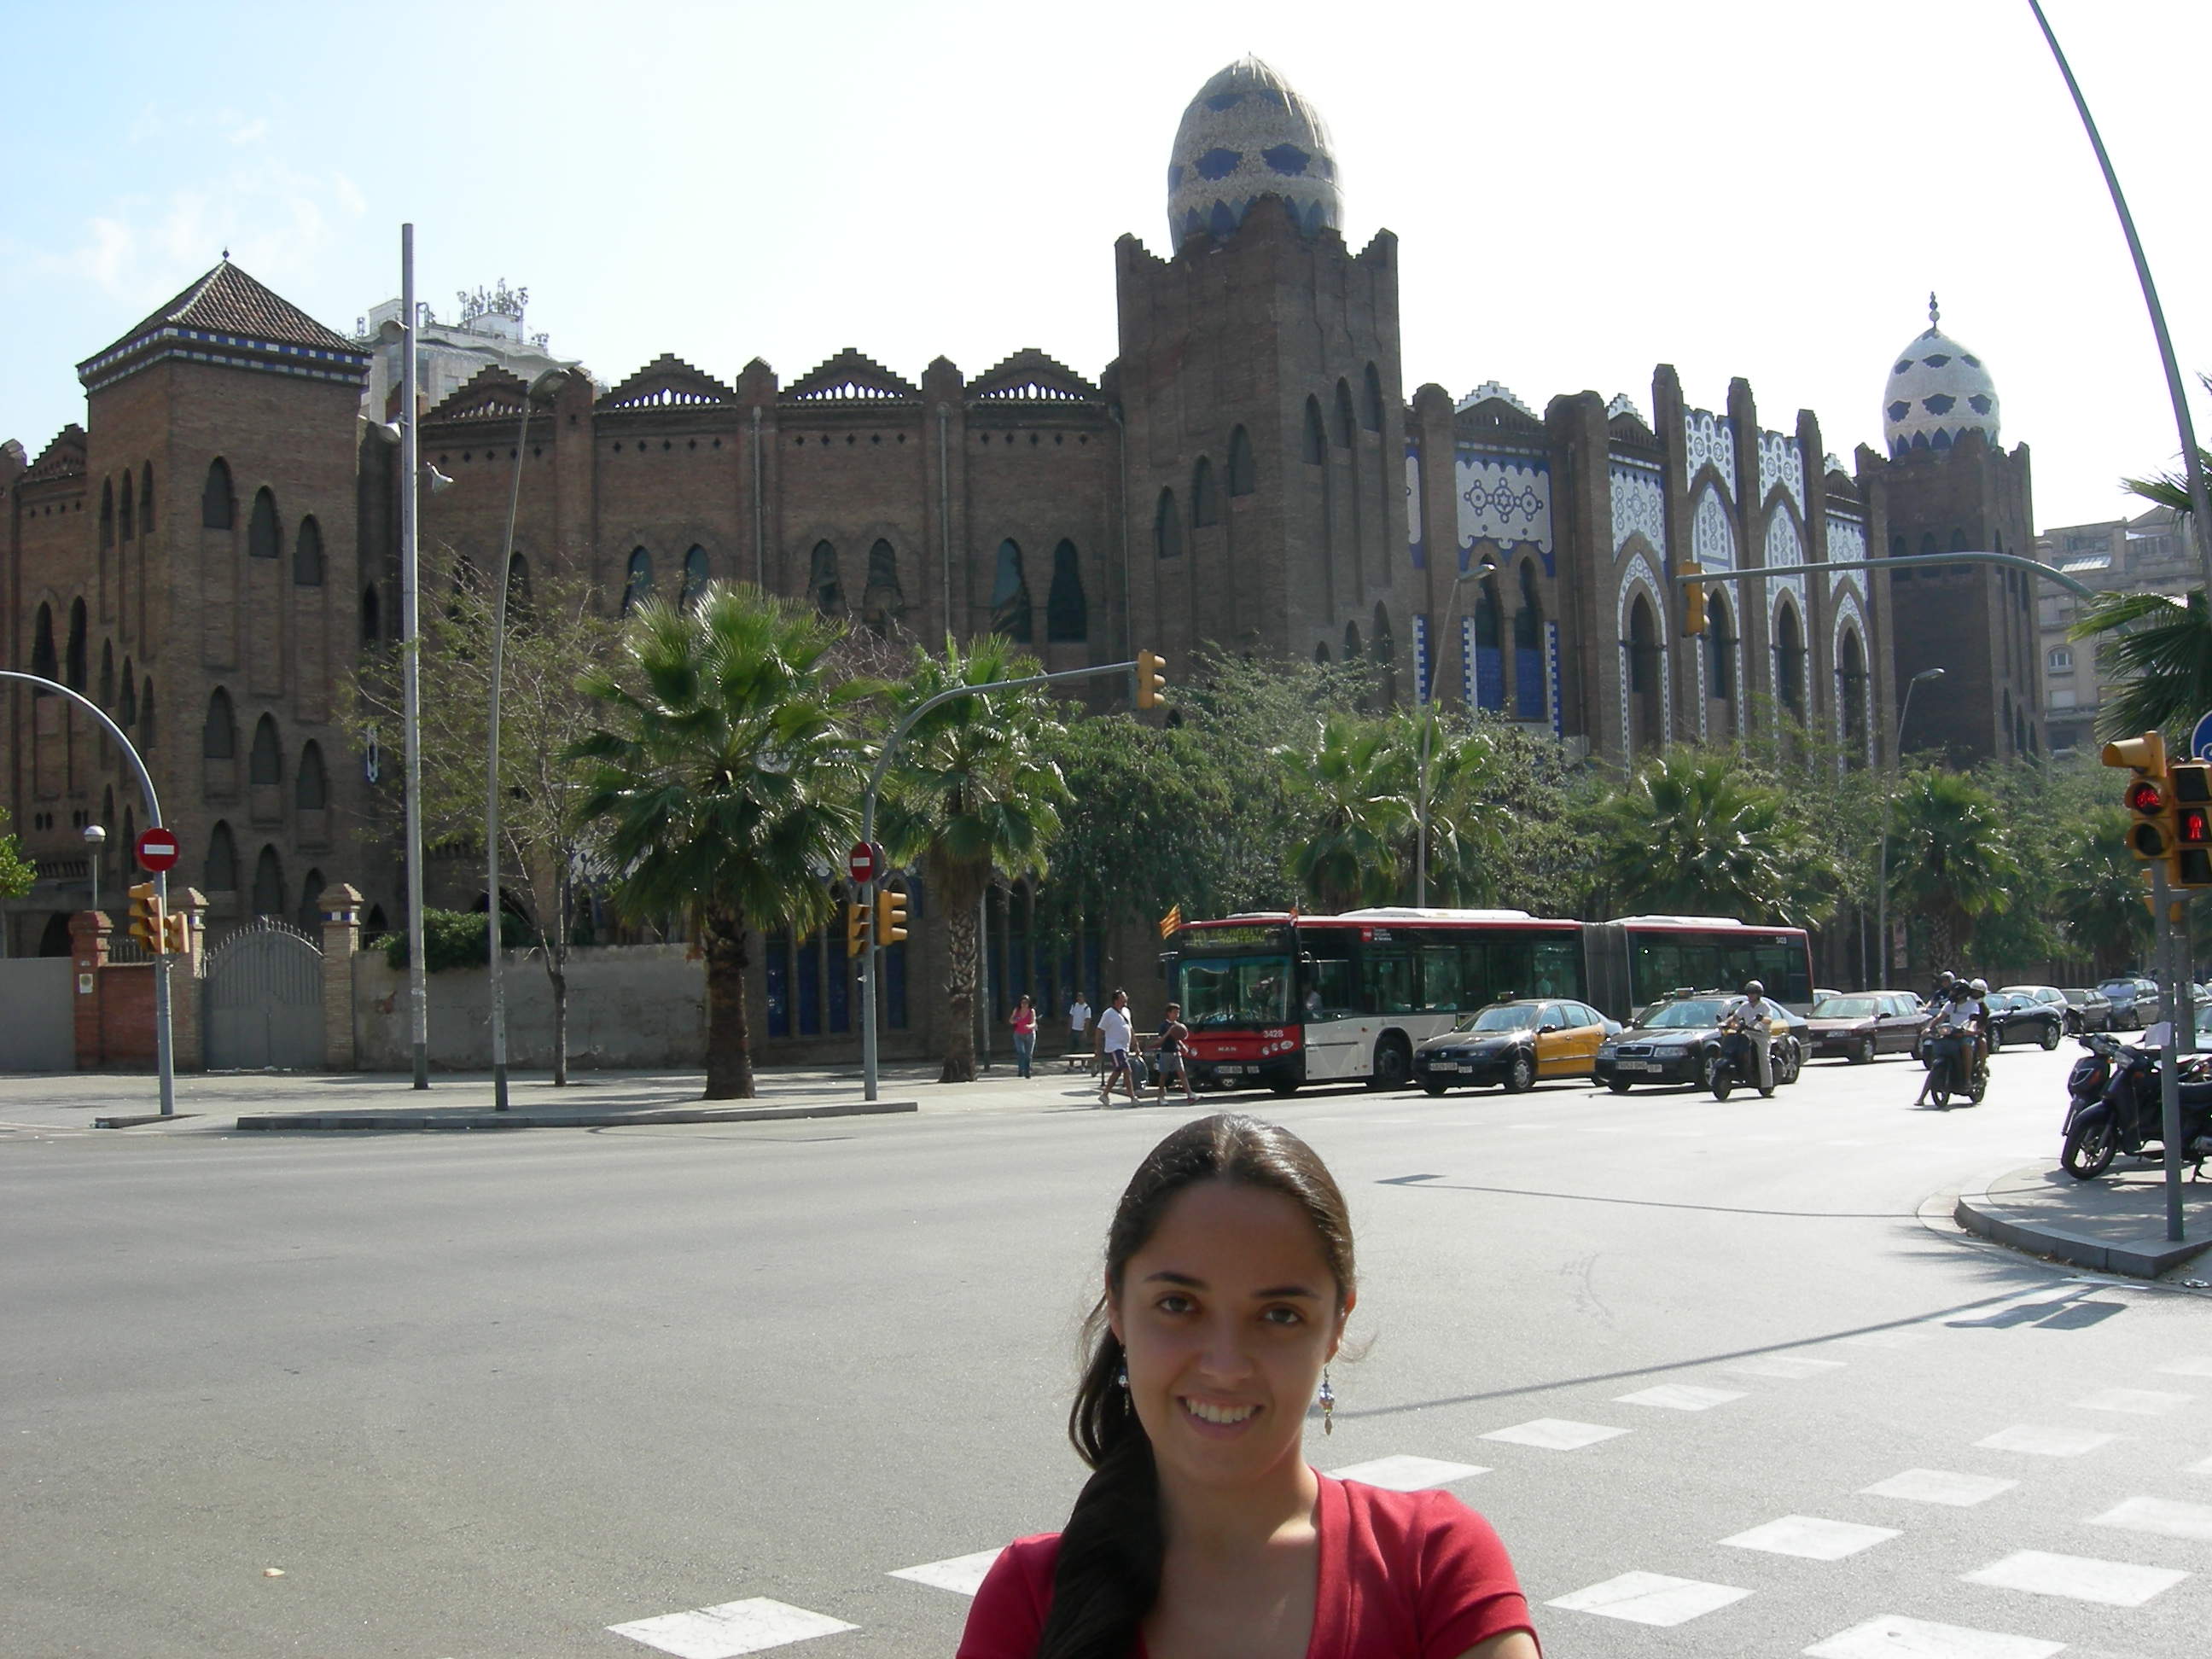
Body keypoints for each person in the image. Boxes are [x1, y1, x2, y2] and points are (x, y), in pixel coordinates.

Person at [957, 1114, 1540, 1659]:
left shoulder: (1432, 1564)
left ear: (1337, 1324)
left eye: (1280, 1314)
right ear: (1117, 1307)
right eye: (1179, 1305)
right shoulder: (1030, 1598)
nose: (1227, 1365)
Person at [1097, 989, 1138, 1108]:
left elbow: (1130, 1029)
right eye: (1123, 998)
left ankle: (1104, 1095)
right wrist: (1098, 1049)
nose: (1126, 999)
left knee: (1118, 1071)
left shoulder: (1126, 1011)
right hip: (1115, 1047)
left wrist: (1135, 1045)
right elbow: (1099, 1030)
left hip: (1124, 1047)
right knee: (1127, 1070)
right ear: (1116, 1000)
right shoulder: (1108, 1013)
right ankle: (1133, 1097)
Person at [1737, 978, 1776, 1096]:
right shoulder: (1745, 1006)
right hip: (1748, 1033)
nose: (1750, 995)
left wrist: (1762, 1019)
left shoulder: (1765, 1006)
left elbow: (1769, 1019)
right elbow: (1735, 1017)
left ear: (1758, 994)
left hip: (1762, 1035)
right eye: (1748, 993)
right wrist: (1725, 1023)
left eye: (1752, 993)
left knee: (1764, 1058)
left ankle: (1767, 1085)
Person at [1154, 1002, 1198, 1106]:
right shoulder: (1164, 1026)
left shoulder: (1177, 1026)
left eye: (1178, 1013)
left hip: (1176, 1052)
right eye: (1174, 1012)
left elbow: (1177, 1038)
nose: (1177, 1015)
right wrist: (1169, 1032)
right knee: (1164, 1075)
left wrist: (1182, 1046)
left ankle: (1190, 1094)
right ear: (1168, 1013)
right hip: (1166, 1053)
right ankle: (1160, 1097)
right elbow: (1160, 1040)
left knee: (1182, 1073)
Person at [1010, 995, 1039, 1080]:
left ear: (1029, 1003)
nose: (1024, 1004)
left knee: (1028, 1055)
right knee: (1021, 1052)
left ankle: (1027, 1071)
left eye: (1026, 1002)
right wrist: (1014, 1021)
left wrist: (1029, 1026)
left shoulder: (1031, 1011)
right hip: (1018, 1034)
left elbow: (1034, 1023)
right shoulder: (1017, 1010)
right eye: (1023, 1002)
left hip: (1030, 1034)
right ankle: (1020, 1070)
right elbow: (1011, 1020)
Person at [1069, 992, 1094, 1073]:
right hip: (1074, 1030)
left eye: (1081, 997)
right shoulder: (1074, 1006)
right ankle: (1071, 1066)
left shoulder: (1086, 1008)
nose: (1079, 998)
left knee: (1083, 1049)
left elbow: (1087, 1020)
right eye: (1078, 997)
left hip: (1081, 1031)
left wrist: (1085, 1032)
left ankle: (1083, 1066)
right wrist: (1069, 1028)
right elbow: (1071, 1017)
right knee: (1071, 1049)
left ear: (1084, 998)